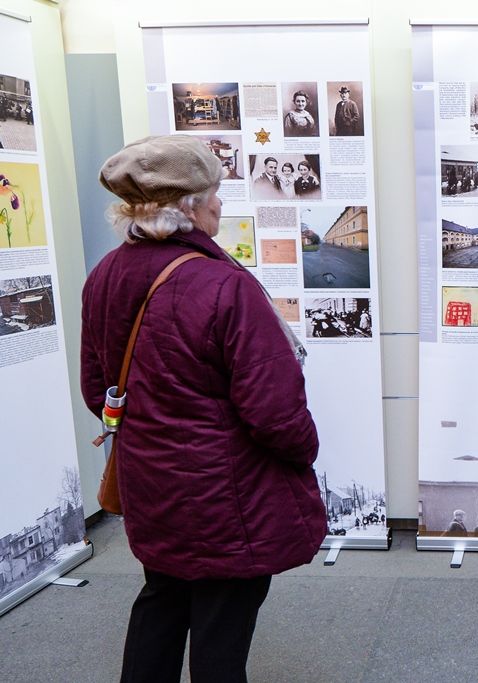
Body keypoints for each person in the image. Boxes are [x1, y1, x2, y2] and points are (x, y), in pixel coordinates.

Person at [82, 135, 326, 682]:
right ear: (188, 207)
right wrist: (305, 451)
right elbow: (275, 411)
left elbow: (98, 388)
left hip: (151, 484)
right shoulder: (224, 285)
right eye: (215, 194)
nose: (221, 205)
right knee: (222, 624)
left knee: (161, 600)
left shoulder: (103, 276)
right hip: (225, 495)